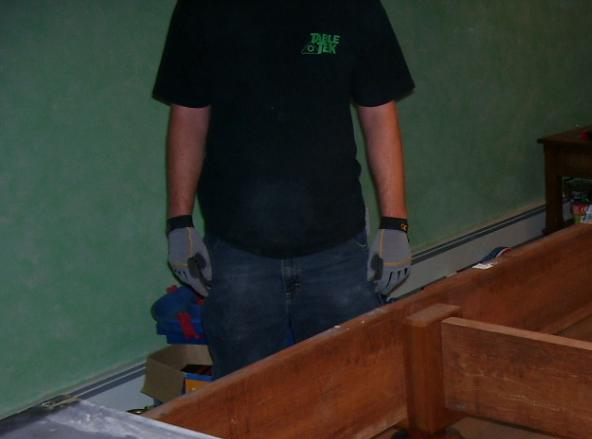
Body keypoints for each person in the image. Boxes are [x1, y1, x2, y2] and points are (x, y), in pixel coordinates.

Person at [153, 0, 415, 379]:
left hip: (338, 250)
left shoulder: (353, 6)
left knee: (350, 385)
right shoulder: (203, 8)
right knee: (247, 395)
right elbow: (189, 116)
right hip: (238, 250)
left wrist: (395, 223)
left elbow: (378, 113)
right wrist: (179, 222)